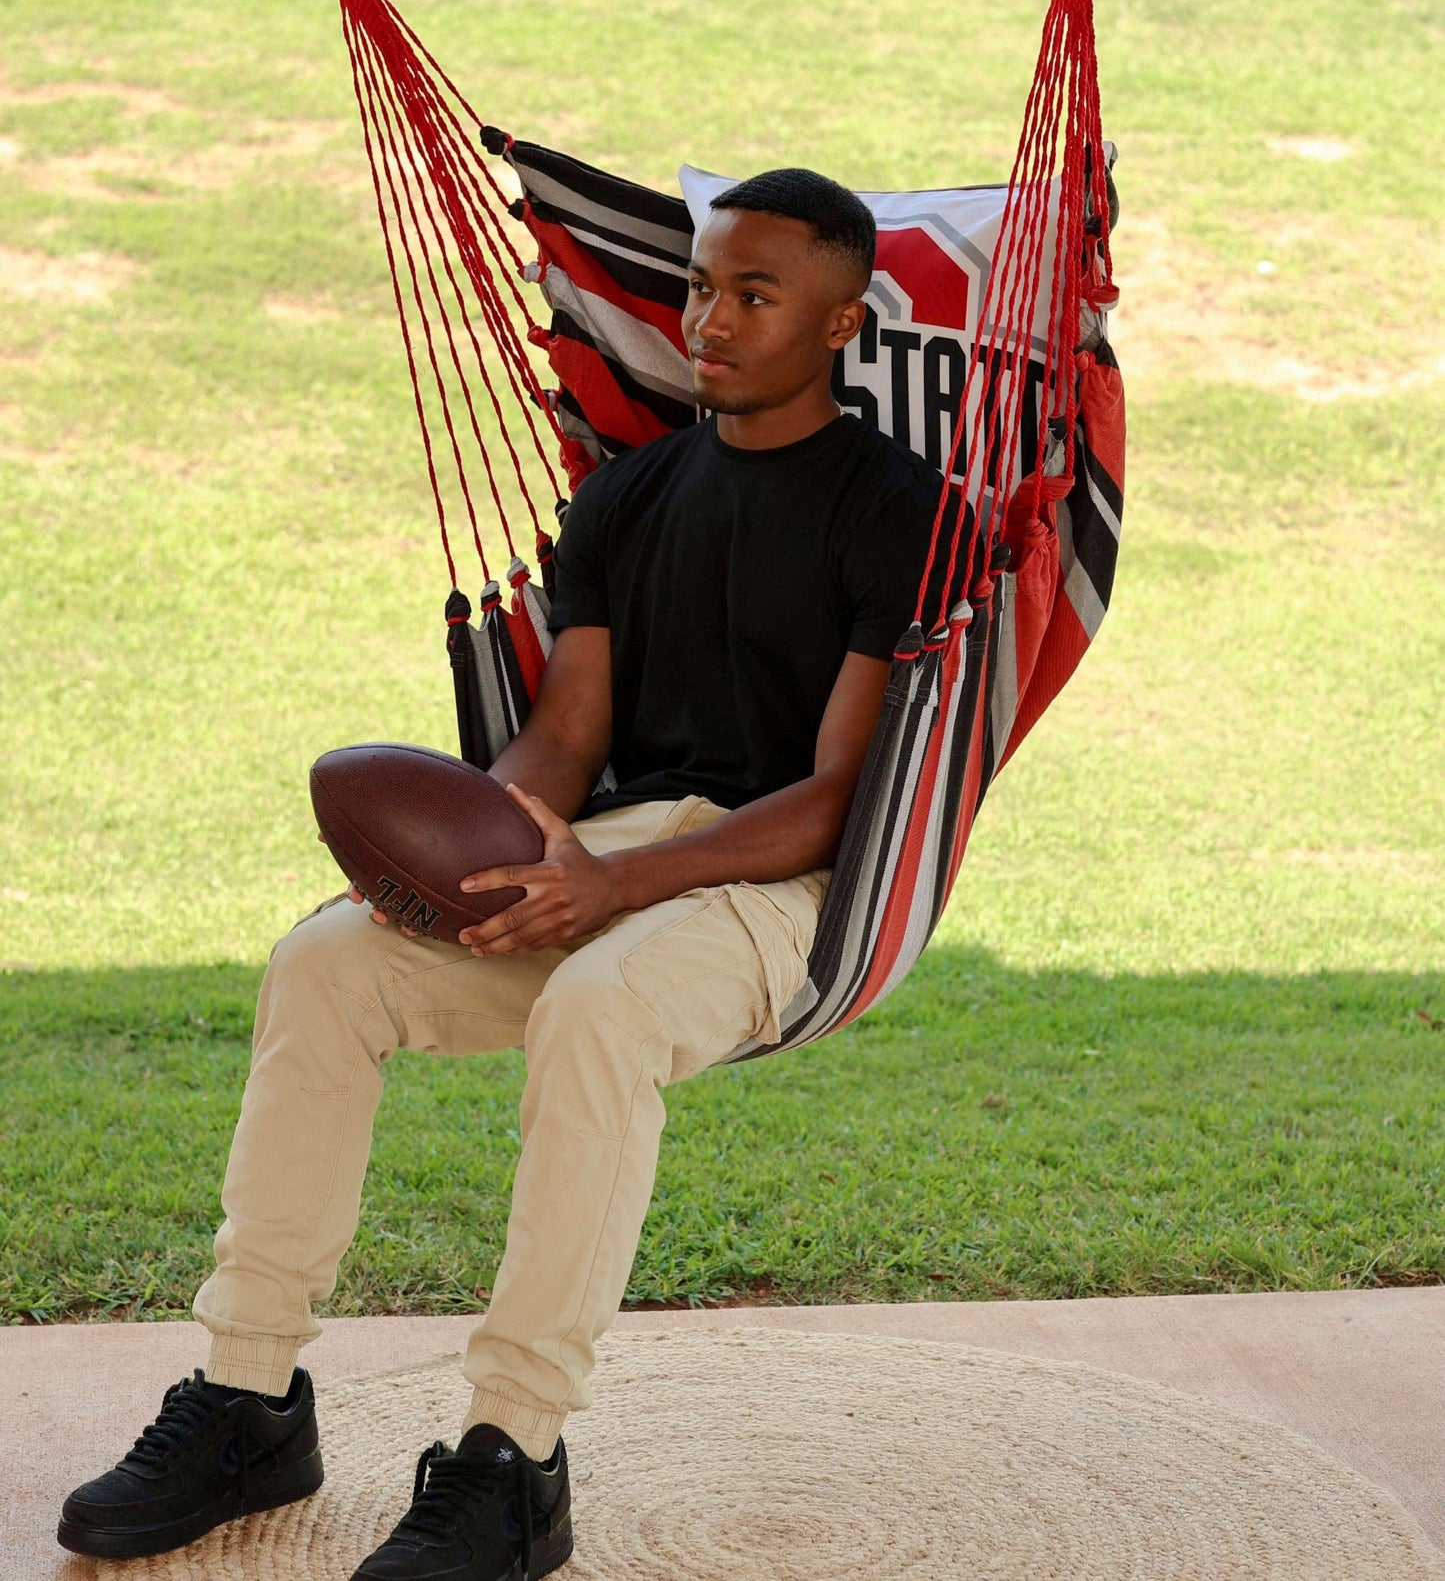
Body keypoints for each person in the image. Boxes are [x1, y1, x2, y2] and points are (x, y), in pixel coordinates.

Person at [56, 168, 947, 1579]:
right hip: (599, 851)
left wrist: (619, 890)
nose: (711, 317)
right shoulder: (624, 494)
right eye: (704, 285)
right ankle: (247, 1395)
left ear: (842, 322)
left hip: (782, 887)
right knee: (325, 962)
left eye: (756, 295)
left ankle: (510, 1455)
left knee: (599, 1007)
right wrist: (473, 845)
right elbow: (564, 732)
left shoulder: (898, 508)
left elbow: (838, 798)